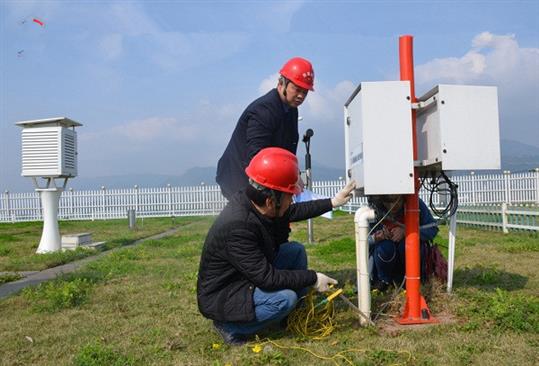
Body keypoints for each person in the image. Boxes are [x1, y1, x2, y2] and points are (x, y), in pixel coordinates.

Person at [197, 147, 356, 345]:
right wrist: (313, 278)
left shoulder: (257, 202)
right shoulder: (238, 226)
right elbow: (267, 278)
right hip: (226, 293)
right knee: (284, 299)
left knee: (295, 251)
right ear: (272, 201)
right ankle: (230, 327)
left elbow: (295, 211)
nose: (293, 200)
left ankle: (291, 315)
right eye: (290, 195)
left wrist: (333, 202)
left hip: (246, 273)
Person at [216, 57, 315, 199]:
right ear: (282, 83)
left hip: (262, 176)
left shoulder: (291, 109)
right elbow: (257, 155)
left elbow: (286, 149)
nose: (301, 96)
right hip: (239, 177)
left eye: (305, 92)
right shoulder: (264, 110)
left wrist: (294, 174)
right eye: (297, 89)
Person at [368, 195, 438, 292]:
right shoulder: (373, 209)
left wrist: (407, 231)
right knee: (385, 247)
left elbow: (433, 228)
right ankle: (384, 281)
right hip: (385, 258)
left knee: (408, 244)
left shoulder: (415, 202)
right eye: (387, 202)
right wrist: (376, 237)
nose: (392, 206)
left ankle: (411, 281)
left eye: (396, 201)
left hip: (408, 257)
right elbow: (363, 242)